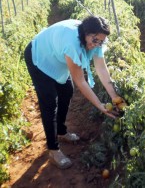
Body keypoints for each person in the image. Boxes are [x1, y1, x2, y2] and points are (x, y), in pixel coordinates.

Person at [24, 16, 124, 169]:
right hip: (39, 57)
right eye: (95, 40)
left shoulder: (96, 40)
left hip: (56, 57)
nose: (97, 44)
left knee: (66, 91)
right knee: (49, 103)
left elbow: (101, 69)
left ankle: (61, 132)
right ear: (86, 33)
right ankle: (53, 150)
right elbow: (80, 81)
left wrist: (114, 97)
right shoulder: (72, 44)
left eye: (100, 41)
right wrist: (100, 105)